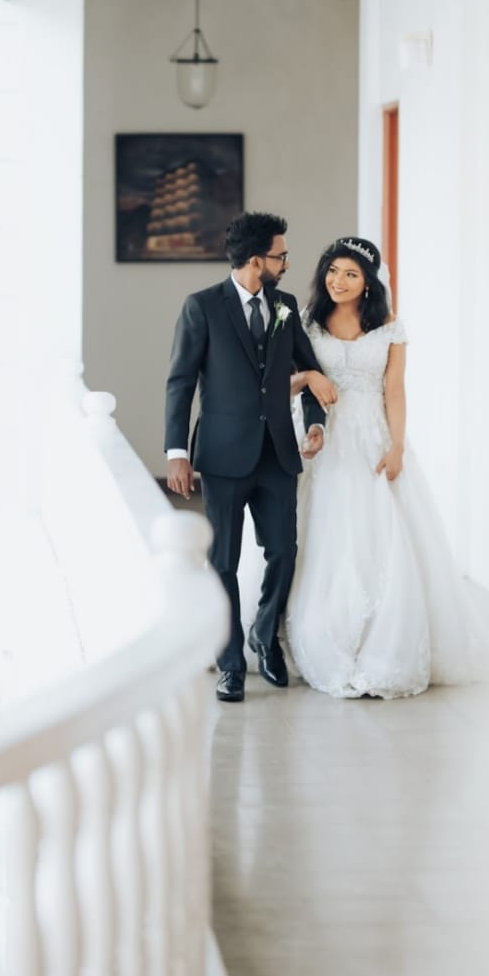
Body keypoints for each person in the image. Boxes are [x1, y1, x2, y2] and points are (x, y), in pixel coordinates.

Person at [285, 235, 487, 699]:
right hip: (321, 436)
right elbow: (288, 379)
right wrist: (309, 384)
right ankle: (317, 629)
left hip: (371, 436)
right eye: (333, 271)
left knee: (378, 531)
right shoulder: (307, 322)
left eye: (351, 274)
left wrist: (396, 446)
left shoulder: (390, 327)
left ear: (369, 283)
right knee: (321, 529)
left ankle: (379, 636)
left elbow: (394, 391)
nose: (339, 281)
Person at [165, 212, 336, 703]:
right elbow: (179, 382)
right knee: (222, 560)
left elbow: (309, 370)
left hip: (278, 453)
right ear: (257, 260)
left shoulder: (284, 307)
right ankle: (231, 662)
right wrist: (177, 452)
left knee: (283, 551)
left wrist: (316, 421)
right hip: (220, 455)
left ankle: (264, 632)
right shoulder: (202, 307)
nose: (286, 263)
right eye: (281, 255)